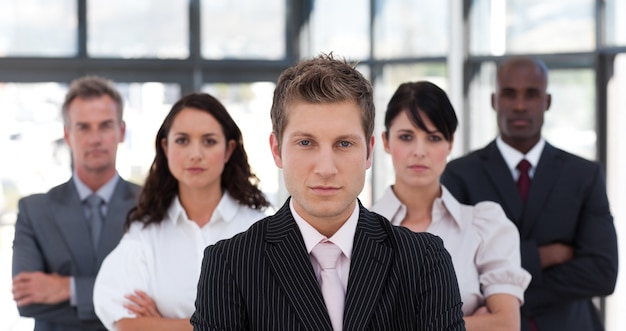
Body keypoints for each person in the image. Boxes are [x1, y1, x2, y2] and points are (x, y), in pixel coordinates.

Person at [190, 53, 465, 331]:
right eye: (306, 142)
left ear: (369, 152)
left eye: (344, 144)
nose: (326, 168)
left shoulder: (425, 260)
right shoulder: (230, 265)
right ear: (277, 150)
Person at [441, 56, 618, 331]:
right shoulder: (459, 175)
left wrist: (504, 295)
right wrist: (543, 256)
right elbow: (454, 271)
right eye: (509, 94)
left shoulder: (584, 175)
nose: (520, 105)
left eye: (531, 94)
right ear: (494, 100)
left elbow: (602, 274)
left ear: (546, 102)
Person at [93, 92, 270, 331]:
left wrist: (161, 325)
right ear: (165, 147)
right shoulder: (145, 234)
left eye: (209, 141)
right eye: (182, 140)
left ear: (229, 150)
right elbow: (124, 322)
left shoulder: (260, 230)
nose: (195, 154)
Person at [371, 81, 531, 330]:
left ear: (450, 144)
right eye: (406, 137)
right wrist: (465, 322)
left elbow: (505, 324)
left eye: (434, 138)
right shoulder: (360, 229)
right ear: (386, 142)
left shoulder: (483, 226)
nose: (419, 151)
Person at [11, 76, 141, 331]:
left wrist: (67, 288)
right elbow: (28, 302)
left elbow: (158, 295)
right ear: (67, 135)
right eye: (83, 127)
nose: (95, 139)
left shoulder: (151, 206)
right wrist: (120, 303)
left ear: (121, 131)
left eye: (105, 126)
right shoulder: (34, 211)